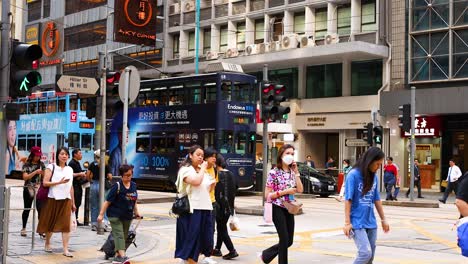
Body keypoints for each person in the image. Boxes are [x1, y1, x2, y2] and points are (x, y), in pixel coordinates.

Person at [343, 147, 390, 264]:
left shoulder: (373, 176)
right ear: (370, 160)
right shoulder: (353, 175)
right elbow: (348, 199)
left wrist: (384, 220)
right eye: (377, 164)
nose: (378, 167)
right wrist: (347, 223)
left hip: (371, 222)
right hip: (357, 222)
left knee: (370, 257)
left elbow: (377, 199)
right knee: (365, 253)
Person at [259, 144, 304, 264]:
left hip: (289, 208)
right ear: (281, 155)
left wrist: (297, 172)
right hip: (277, 207)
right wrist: (285, 191)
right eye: (287, 153)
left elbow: (300, 189)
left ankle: (266, 255)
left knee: (289, 241)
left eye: (292, 154)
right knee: (284, 239)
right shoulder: (274, 172)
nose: (290, 156)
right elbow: (267, 195)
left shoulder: (292, 172)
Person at [175, 145, 216, 264]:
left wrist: (211, 183)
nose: (200, 157)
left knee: (206, 236)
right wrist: (203, 168)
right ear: (190, 155)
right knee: (192, 238)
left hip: (205, 207)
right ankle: (186, 259)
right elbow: (196, 182)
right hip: (191, 209)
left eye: (202, 155)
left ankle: (195, 258)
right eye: (198, 154)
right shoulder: (185, 170)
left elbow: (207, 189)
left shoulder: (200, 170)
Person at [36, 147, 76, 258]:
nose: (64, 156)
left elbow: (70, 186)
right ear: (57, 155)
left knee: (66, 225)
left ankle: (65, 249)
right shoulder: (51, 167)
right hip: (52, 198)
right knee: (51, 223)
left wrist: (73, 202)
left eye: (66, 154)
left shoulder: (70, 169)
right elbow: (45, 183)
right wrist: (59, 182)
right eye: (62, 154)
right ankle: (47, 243)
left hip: (66, 199)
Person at [98, 164, 141, 264]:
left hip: (127, 215)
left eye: (130, 175)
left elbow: (134, 200)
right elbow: (107, 201)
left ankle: (117, 257)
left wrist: (136, 212)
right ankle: (123, 256)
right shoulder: (117, 186)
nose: (128, 177)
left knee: (124, 236)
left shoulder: (133, 185)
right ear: (122, 175)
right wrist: (101, 215)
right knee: (119, 235)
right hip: (115, 215)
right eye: (126, 175)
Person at [212, 154, 238, 260]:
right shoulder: (231, 173)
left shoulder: (217, 174)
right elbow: (236, 187)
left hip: (220, 206)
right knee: (221, 227)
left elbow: (216, 192)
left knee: (221, 229)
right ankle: (217, 249)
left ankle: (232, 250)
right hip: (229, 207)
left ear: (215, 163)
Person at [21, 146, 46, 237]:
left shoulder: (42, 164)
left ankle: (41, 229)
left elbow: (45, 176)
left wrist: (43, 173)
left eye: (39, 156)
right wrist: (35, 172)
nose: (38, 157)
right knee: (27, 208)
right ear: (32, 155)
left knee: (41, 209)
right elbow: (25, 177)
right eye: (36, 155)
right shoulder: (26, 164)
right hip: (28, 189)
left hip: (39, 189)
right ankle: (23, 228)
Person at [86, 150, 112, 231]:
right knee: (104, 205)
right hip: (103, 185)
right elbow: (110, 176)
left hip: (94, 184)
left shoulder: (92, 164)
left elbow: (88, 174)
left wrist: (90, 181)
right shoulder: (106, 164)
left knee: (94, 205)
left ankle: (94, 224)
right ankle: (104, 223)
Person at [203, 148, 218, 264]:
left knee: (211, 230)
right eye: (212, 156)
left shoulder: (214, 170)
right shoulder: (200, 169)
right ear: (205, 158)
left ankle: (208, 254)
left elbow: (213, 188)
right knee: (198, 229)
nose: (214, 159)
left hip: (211, 203)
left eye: (215, 156)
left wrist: (212, 185)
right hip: (201, 203)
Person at [68, 149, 87, 226]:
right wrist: (81, 174)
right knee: (75, 202)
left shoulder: (77, 163)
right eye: (80, 153)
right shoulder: (72, 163)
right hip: (74, 186)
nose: (81, 155)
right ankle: (73, 219)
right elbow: (73, 175)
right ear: (75, 154)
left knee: (78, 202)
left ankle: (75, 218)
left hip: (78, 186)